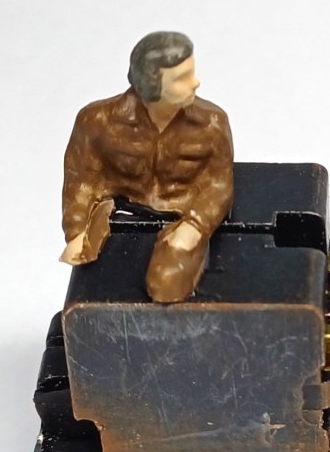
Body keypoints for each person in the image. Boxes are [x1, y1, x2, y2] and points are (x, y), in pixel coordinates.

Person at [60, 31, 233, 302]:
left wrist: (194, 227)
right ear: (151, 85)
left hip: (183, 214)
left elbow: (219, 184)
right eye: (182, 78)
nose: (196, 83)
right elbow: (81, 179)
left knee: (167, 285)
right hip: (121, 214)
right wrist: (77, 231)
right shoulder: (96, 121)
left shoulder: (212, 123)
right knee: (100, 291)